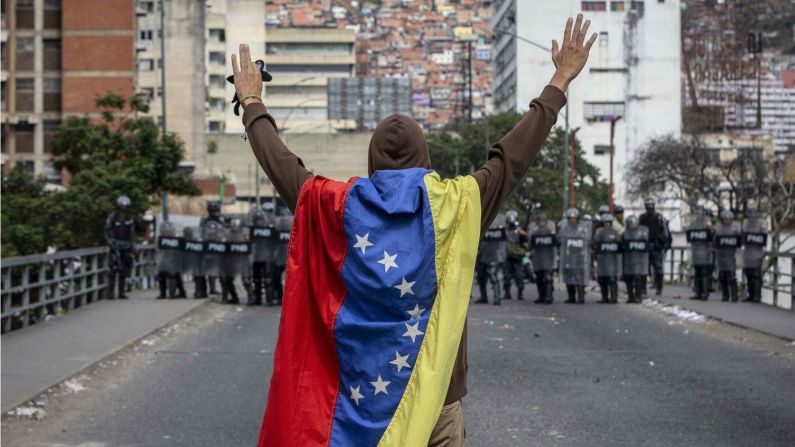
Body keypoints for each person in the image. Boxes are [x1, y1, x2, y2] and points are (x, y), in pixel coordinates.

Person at [233, 14, 596, 446]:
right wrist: (559, 80)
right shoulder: (458, 204)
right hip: (439, 399)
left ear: (372, 161)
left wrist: (253, 103)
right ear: (426, 157)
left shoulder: (333, 207)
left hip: (359, 402)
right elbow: (511, 160)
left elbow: (283, 166)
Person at [105, 195, 135, 299]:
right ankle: (110, 293)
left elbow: (131, 234)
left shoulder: (129, 219)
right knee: (112, 270)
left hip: (126, 247)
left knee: (124, 270)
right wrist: (110, 242)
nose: (124, 210)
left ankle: (121, 292)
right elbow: (107, 231)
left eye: (126, 207)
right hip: (115, 246)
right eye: (122, 207)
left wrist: (132, 247)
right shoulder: (112, 217)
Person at [638, 198, 671, 296]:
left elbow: (665, 233)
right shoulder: (642, 218)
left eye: (651, 206)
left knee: (658, 268)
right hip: (645, 245)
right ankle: (643, 288)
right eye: (648, 206)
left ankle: (659, 288)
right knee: (644, 268)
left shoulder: (659, 218)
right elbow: (639, 231)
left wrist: (660, 243)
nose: (649, 208)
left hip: (657, 246)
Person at [248, 205, 278, 306]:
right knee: (256, 278)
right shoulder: (252, 230)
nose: (258, 222)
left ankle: (269, 300)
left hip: (268, 256)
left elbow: (277, 242)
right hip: (256, 256)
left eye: (260, 220)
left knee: (269, 279)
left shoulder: (271, 228)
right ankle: (257, 299)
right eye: (256, 220)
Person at [474, 215, 507, 305]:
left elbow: (503, 240)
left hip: (494, 255)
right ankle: (484, 297)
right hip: (482, 254)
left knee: (493, 276)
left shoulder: (499, 228)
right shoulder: (482, 224)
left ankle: (497, 298)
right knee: (480, 277)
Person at [559, 208, 591, 304]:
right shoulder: (565, 229)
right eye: (570, 218)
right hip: (568, 255)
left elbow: (587, 241)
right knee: (569, 275)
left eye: (574, 218)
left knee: (579, 276)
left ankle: (581, 297)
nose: (572, 220)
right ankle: (571, 297)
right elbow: (560, 240)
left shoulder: (582, 229)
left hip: (579, 256)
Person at [199, 201, 227, 295]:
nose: (215, 213)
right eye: (213, 210)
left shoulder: (221, 221)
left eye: (216, 210)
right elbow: (200, 232)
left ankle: (223, 290)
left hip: (219, 246)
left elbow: (225, 232)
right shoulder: (204, 221)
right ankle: (205, 290)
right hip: (207, 246)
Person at [528, 213, 556, 304]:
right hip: (537, 258)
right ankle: (541, 296)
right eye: (540, 221)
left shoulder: (550, 232)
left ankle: (548, 297)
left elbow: (556, 243)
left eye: (543, 221)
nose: (541, 223)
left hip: (548, 257)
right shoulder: (535, 233)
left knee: (547, 278)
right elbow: (530, 246)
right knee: (539, 279)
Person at [224, 218, 253, 305]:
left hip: (244, 260)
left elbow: (251, 246)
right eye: (233, 226)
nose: (235, 228)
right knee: (227, 280)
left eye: (237, 226)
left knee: (246, 280)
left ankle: (251, 298)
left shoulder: (246, 233)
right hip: (232, 260)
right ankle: (234, 297)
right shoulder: (228, 234)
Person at [714, 210, 741, 302]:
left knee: (732, 276)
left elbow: (739, 240)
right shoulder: (718, 227)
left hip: (731, 255)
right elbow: (715, 240)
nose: (727, 221)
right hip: (721, 254)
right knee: (722, 276)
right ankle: (725, 295)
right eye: (725, 219)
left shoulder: (735, 227)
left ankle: (734, 295)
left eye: (729, 219)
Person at [593, 214, 620, 304]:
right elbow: (595, 243)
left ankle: (613, 297)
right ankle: (604, 297)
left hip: (612, 259)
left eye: (608, 222)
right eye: (605, 222)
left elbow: (619, 244)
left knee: (612, 279)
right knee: (602, 279)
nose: (607, 224)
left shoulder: (615, 233)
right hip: (602, 258)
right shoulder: (599, 232)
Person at [741, 207, 767, 303]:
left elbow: (764, 236)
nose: (752, 217)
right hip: (748, 252)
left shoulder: (762, 223)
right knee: (749, 275)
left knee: (756, 275)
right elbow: (743, 235)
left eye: (754, 214)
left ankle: (757, 296)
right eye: (750, 215)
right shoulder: (745, 222)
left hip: (757, 252)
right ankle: (751, 295)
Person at [687, 207, 713, 301]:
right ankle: (698, 292)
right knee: (697, 273)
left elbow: (712, 236)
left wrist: (711, 229)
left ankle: (704, 293)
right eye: (697, 214)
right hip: (695, 251)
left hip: (705, 251)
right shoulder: (693, 224)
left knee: (704, 273)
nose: (699, 215)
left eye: (700, 214)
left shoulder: (707, 223)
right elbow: (689, 234)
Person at [621, 215, 649, 304]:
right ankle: (630, 296)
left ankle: (638, 296)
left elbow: (646, 242)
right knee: (628, 279)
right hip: (628, 260)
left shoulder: (642, 232)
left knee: (638, 279)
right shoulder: (625, 233)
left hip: (639, 260)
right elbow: (622, 244)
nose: (630, 226)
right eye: (629, 224)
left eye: (631, 223)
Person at [156, 221, 186, 299]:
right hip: (164, 259)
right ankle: (163, 294)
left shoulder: (178, 239)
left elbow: (182, 249)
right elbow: (158, 249)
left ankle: (173, 294)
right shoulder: (161, 238)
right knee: (162, 275)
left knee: (173, 275)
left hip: (174, 259)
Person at [503, 210, 527, 300]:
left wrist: (523, 234)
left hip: (518, 256)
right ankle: (507, 293)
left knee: (519, 275)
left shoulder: (520, 230)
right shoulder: (504, 230)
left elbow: (526, 240)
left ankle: (520, 293)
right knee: (506, 276)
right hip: (507, 255)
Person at [181, 226, 207, 298]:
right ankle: (201, 292)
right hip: (193, 260)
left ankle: (200, 292)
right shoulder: (184, 240)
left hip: (199, 260)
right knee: (198, 276)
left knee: (198, 275)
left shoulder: (195, 240)